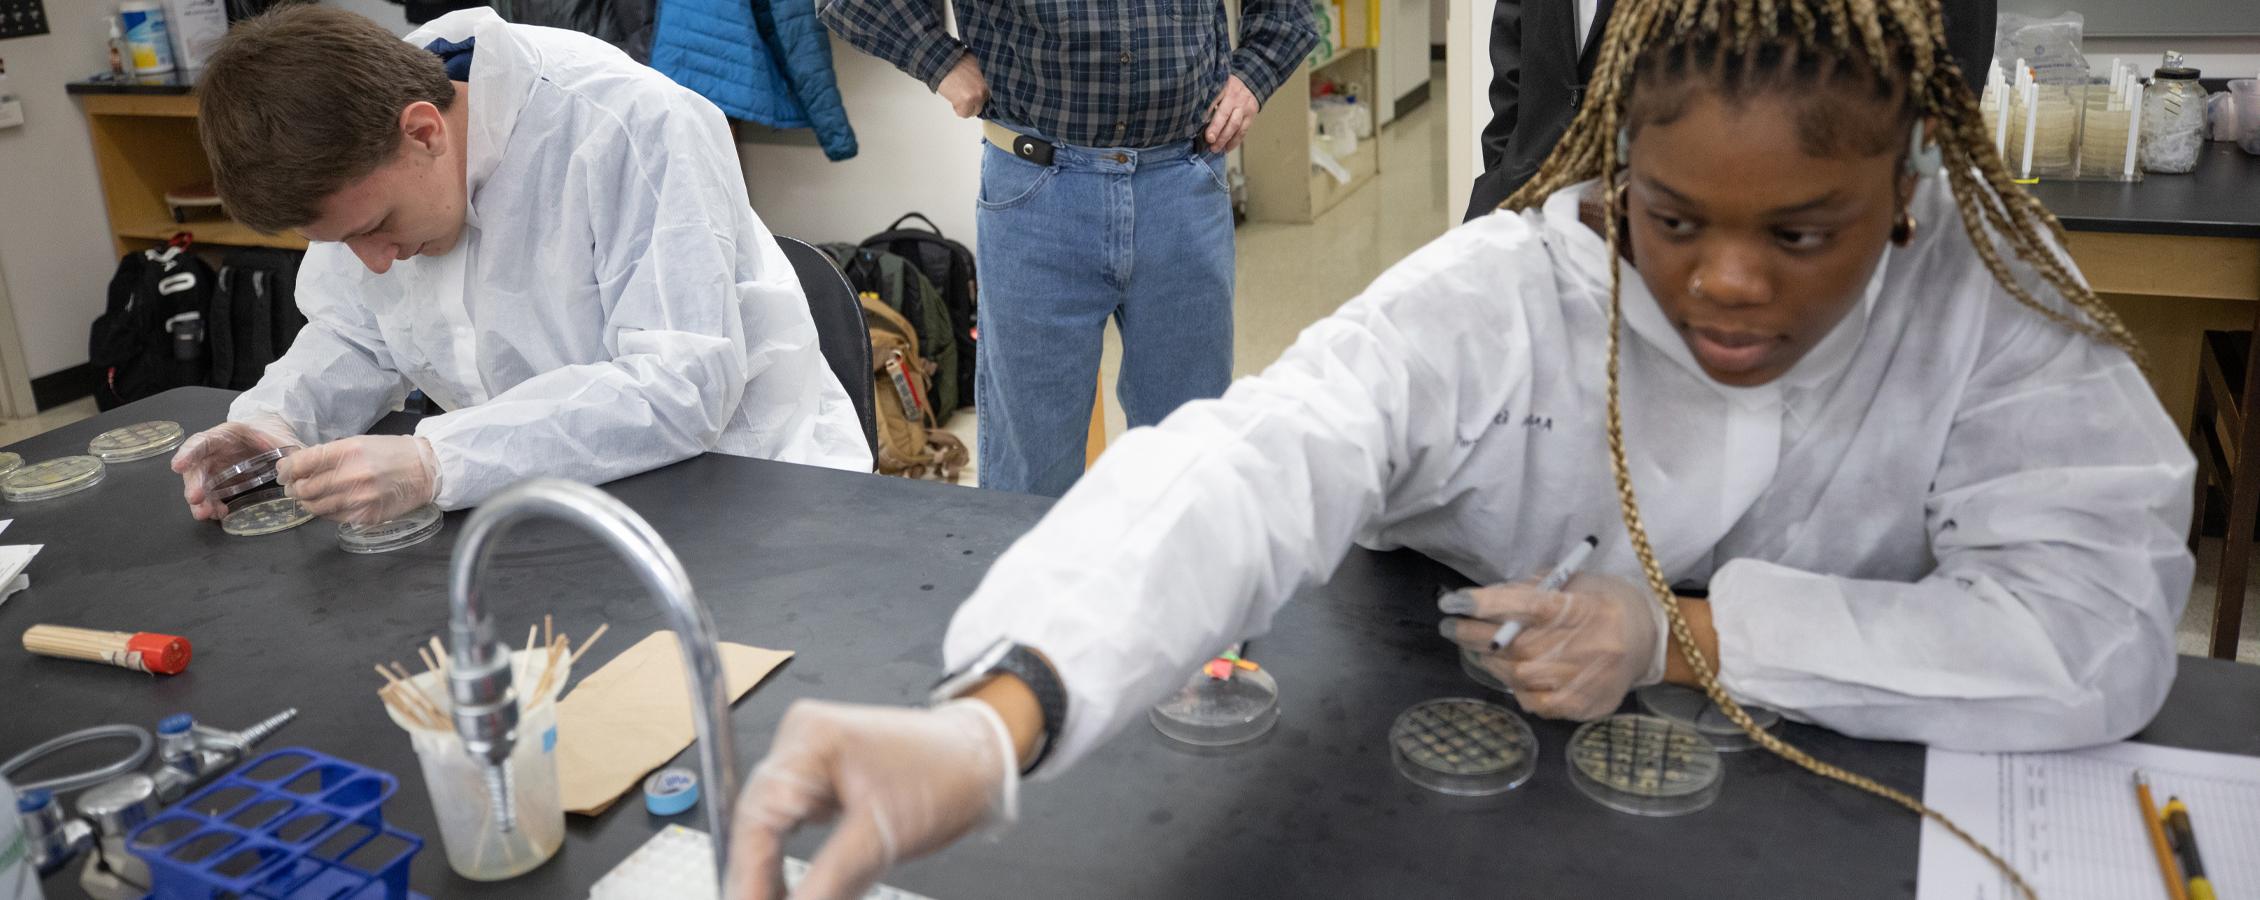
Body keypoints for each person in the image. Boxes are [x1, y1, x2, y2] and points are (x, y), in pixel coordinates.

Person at [727, 0, 2195, 894]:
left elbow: (2096, 626)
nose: (1732, 283)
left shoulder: (1989, 293)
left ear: (1909, 196)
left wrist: (1685, 636)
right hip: (1432, 762)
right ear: (1615, 176)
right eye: (1674, 221)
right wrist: (1001, 717)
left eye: (1807, 235)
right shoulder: (1512, 289)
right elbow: (1256, 460)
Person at [171, 5, 871, 527]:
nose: (374, 263)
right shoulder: (355, 140)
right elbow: (357, 332)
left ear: (423, 131)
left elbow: (677, 390)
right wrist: (271, 421)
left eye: (377, 228)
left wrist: (436, 460)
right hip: (531, 496)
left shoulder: (631, 126)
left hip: (738, 497)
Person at [820, 0, 1318, 498]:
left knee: (1187, 457)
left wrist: (1254, 75)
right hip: (1037, 196)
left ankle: (1177, 577)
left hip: (1183, 185)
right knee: (1032, 471)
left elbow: (1287, 12)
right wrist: (936, 60)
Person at [1464, 0, 1999, 221]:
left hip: (1691, 232)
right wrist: (1496, 187)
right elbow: (1516, 69)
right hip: (1526, 209)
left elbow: (1949, 65)